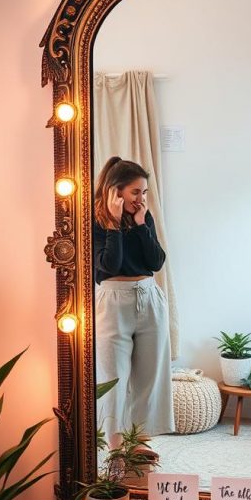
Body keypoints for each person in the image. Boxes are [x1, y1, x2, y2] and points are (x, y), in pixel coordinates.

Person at [94, 156, 175, 446]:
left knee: (148, 380)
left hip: (149, 297)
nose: (141, 199)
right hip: (113, 303)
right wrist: (115, 226)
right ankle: (116, 453)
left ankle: (139, 448)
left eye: (144, 192)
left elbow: (156, 262)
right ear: (115, 191)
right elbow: (108, 266)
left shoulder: (143, 216)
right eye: (135, 192)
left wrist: (141, 225)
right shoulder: (94, 219)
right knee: (113, 382)